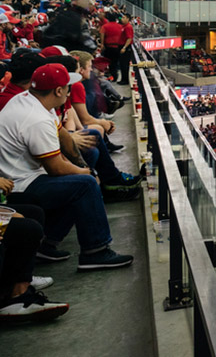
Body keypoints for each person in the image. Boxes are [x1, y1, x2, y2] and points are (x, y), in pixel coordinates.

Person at [0, 63, 133, 269]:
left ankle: (46, 244)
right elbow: (56, 169)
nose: (70, 90)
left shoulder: (31, 100)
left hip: (26, 174)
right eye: (67, 86)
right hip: (19, 184)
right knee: (85, 185)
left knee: (82, 179)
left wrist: (84, 166)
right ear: (58, 91)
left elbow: (63, 136)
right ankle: (96, 251)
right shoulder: (36, 119)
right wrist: (87, 174)